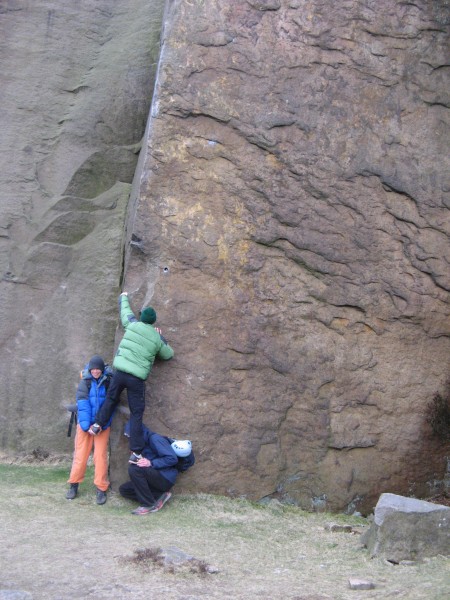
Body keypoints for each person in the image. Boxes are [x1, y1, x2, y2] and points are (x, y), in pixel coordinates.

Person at [89, 292, 174, 464]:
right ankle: (136, 452)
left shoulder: (132, 324)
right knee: (136, 413)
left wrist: (123, 297)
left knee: (111, 399)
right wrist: (160, 337)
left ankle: (97, 425)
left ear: (141, 317)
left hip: (120, 372)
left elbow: (125, 313)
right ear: (154, 322)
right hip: (136, 379)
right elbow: (168, 355)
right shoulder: (156, 337)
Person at [119, 422, 195, 515]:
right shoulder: (143, 442)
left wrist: (150, 463)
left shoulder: (155, 439)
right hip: (155, 478)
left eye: (131, 436)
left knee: (134, 469)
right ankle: (159, 496)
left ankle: (148, 505)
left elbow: (172, 458)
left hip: (165, 478)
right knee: (124, 490)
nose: (130, 439)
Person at [66, 355, 113, 505]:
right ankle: (74, 485)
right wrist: (87, 427)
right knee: (80, 455)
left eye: (98, 369)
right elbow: (83, 405)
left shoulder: (108, 382)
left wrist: (100, 425)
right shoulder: (84, 382)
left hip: (101, 426)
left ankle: (101, 488)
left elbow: (110, 406)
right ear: (90, 369)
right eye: (93, 369)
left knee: (100, 457)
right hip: (85, 425)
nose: (96, 372)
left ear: (102, 370)